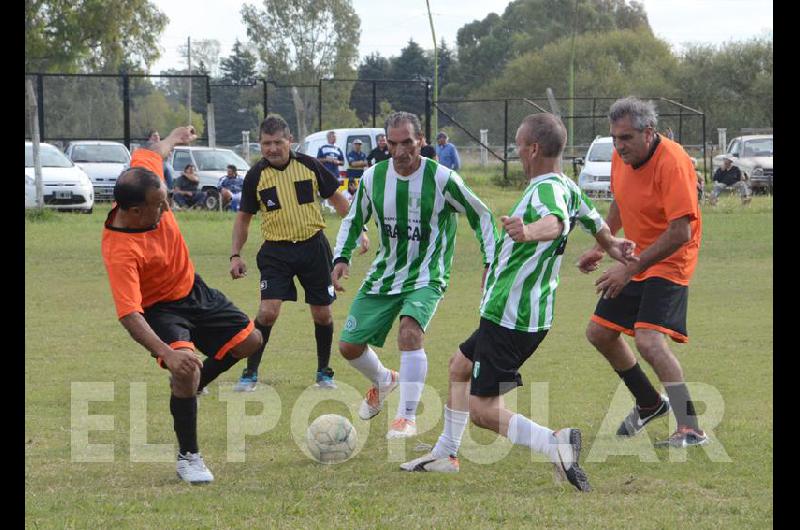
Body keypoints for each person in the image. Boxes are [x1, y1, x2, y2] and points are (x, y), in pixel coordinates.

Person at [400, 114, 637, 493]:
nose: (517, 153)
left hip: (511, 316)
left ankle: (553, 442)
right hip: (519, 313)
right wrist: (612, 248)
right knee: (459, 366)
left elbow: (555, 223)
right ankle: (446, 453)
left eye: (517, 146)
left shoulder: (546, 190)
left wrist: (528, 232)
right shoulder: (567, 186)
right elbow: (597, 225)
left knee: (482, 410)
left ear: (533, 149)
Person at [101, 126, 263, 484]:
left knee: (251, 342)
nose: (166, 207)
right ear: (134, 210)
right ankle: (188, 456)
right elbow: (130, 313)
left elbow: (154, 151)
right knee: (183, 369)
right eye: (159, 205)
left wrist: (175, 138)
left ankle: (196, 380)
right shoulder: (121, 250)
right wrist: (167, 353)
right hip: (161, 310)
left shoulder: (143, 176)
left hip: (194, 289)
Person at [332, 111, 498, 440]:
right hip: (385, 273)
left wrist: (490, 261)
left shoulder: (442, 178)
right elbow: (354, 219)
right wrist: (341, 256)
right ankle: (384, 380)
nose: (400, 151)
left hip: (427, 273)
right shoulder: (372, 178)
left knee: (409, 333)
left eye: (407, 142)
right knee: (349, 347)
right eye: (392, 143)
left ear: (420, 140)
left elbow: (482, 216)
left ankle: (406, 417)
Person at [577, 97, 708, 448]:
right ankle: (650, 404)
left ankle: (691, 427)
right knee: (599, 333)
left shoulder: (673, 162)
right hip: (636, 255)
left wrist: (628, 270)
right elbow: (621, 201)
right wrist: (600, 246)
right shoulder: (624, 159)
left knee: (649, 340)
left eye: (626, 138)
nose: (619, 147)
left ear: (648, 133)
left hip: (671, 258)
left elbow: (681, 231)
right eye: (615, 139)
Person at [230, 116, 369, 392]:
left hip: (313, 248)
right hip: (275, 252)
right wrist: (235, 254)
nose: (272, 148)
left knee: (323, 314)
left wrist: (360, 229)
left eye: (278, 142)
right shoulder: (256, 175)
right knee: (267, 313)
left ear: (289, 141)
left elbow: (338, 199)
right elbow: (243, 218)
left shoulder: (309, 165)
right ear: (260, 144)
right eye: (266, 143)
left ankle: (323, 373)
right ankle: (250, 374)